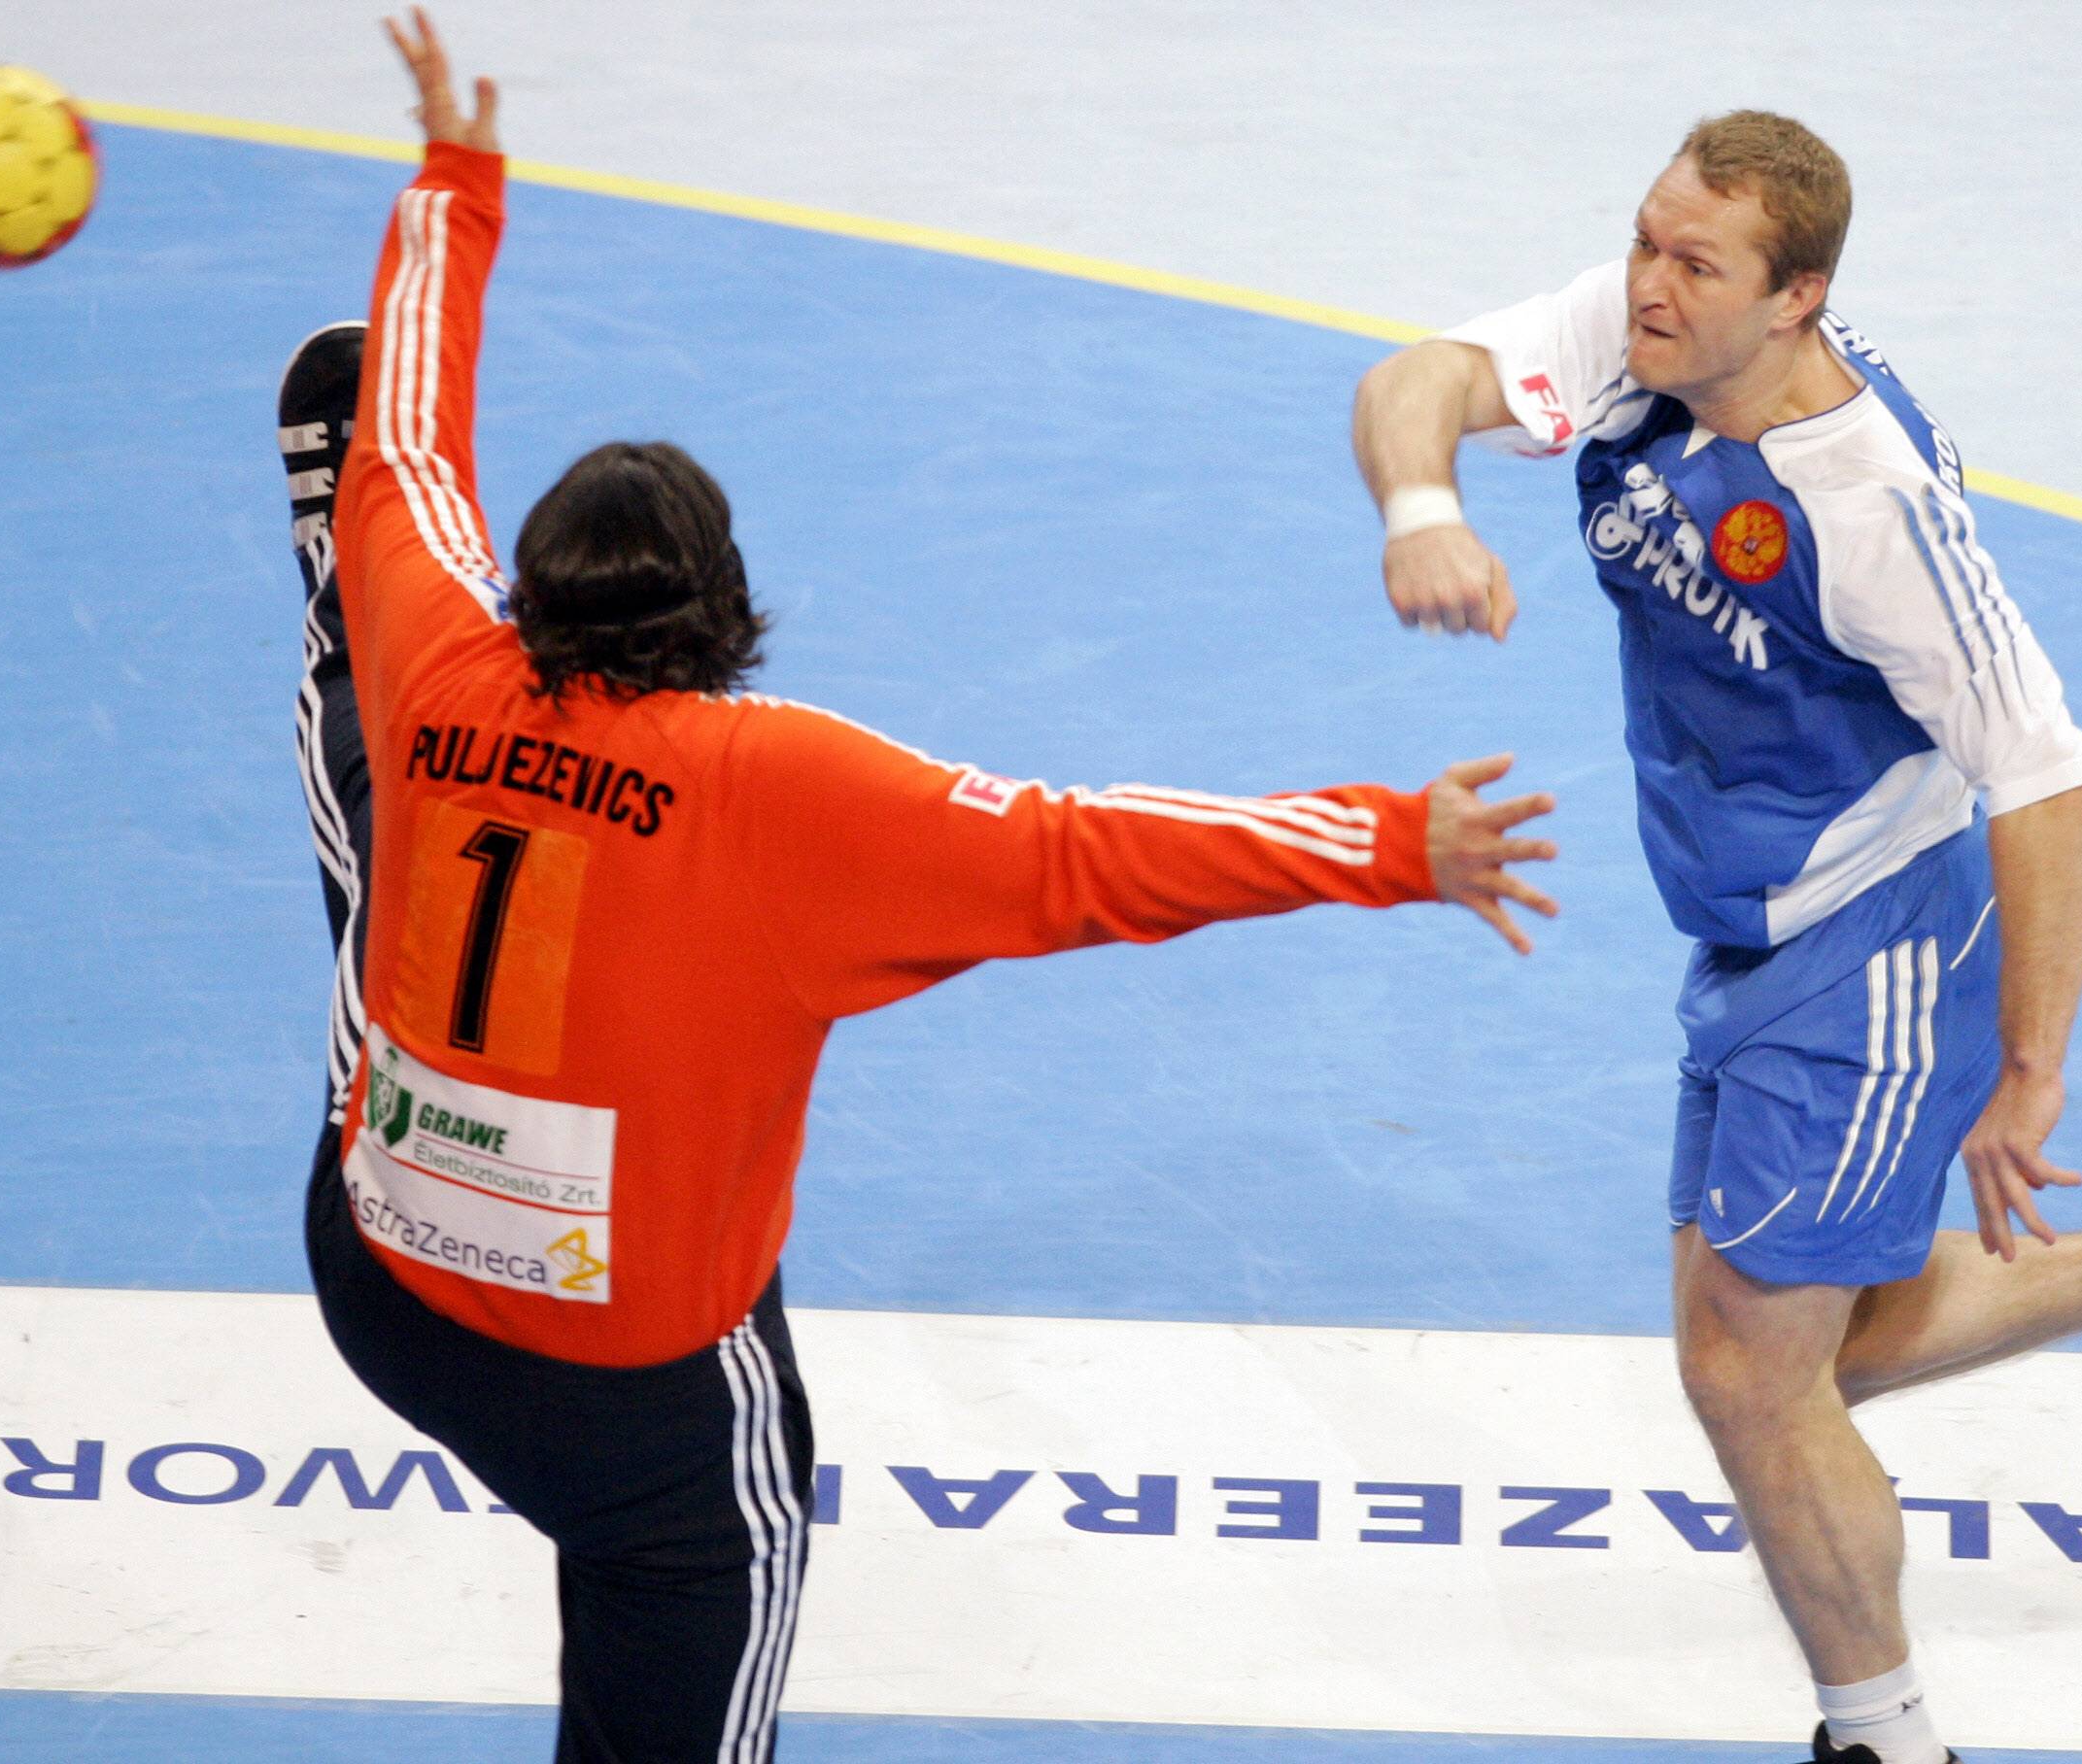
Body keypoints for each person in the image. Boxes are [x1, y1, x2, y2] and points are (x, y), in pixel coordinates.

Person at [275, 14, 1558, 1760]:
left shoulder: (450, 642)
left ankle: (328, 628)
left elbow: (405, 437)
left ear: (532, 594)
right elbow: (1090, 854)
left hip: (382, 1274)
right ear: (725, 618)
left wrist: (454, 178)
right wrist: (1394, 841)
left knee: (383, 783)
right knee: (724, 1530)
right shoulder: (782, 791)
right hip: (622, 1376)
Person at [1349, 111, 2082, 1764]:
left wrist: (2029, 1074)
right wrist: (1417, 504)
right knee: (1791, 1344)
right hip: (1746, 931)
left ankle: (1885, 1739)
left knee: (1753, 1380)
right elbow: (1420, 378)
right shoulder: (1646, 333)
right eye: (1646, 242)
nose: (1650, 285)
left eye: (1698, 263)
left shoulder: (1872, 510)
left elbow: (2052, 778)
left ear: (1797, 297)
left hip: (1867, 946)